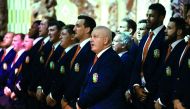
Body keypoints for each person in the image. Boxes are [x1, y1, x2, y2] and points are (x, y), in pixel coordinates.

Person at [76, 26, 126, 109]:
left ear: (105, 40)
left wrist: (81, 103)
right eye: (91, 36)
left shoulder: (111, 59)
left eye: (95, 36)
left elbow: (100, 87)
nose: (91, 39)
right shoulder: (96, 57)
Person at [130, 3, 166, 109]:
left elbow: (161, 68)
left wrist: (147, 90)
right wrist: (136, 85)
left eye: (152, 16)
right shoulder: (146, 37)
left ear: (161, 17)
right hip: (137, 92)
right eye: (147, 15)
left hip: (153, 94)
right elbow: (137, 63)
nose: (148, 19)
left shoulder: (165, 37)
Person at [62, 15, 96, 109]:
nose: (74, 29)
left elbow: (81, 77)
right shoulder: (77, 48)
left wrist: (68, 99)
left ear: (87, 29)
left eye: (77, 26)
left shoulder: (90, 49)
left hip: (77, 101)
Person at [154, 17, 187, 109]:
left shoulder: (183, 49)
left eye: (169, 28)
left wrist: (162, 101)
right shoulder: (167, 47)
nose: (165, 30)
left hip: (171, 102)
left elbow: (175, 78)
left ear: (179, 32)